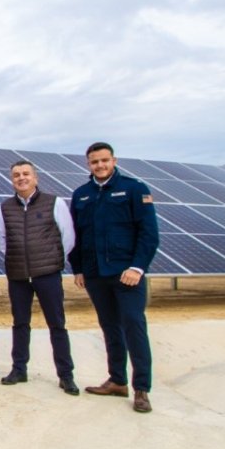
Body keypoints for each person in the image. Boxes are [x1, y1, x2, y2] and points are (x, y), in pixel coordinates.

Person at [69, 142, 160, 413]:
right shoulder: (82, 195)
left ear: (114, 160)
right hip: (96, 275)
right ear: (88, 164)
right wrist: (79, 268)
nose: (100, 165)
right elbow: (77, 236)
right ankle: (117, 381)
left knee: (134, 327)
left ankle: (141, 389)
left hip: (126, 275)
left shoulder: (135, 189)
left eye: (104, 160)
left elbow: (149, 234)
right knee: (110, 327)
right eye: (94, 162)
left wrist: (137, 268)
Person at [0, 160, 79, 395]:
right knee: (20, 324)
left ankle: (66, 375)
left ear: (35, 177)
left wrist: (51, 261)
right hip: (18, 276)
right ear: (12, 180)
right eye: (16, 175)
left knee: (57, 325)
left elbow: (68, 237)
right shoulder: (4, 208)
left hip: (48, 275)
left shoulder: (55, 202)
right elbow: (3, 240)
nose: (21, 178)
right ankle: (19, 369)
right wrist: (20, 260)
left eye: (25, 174)